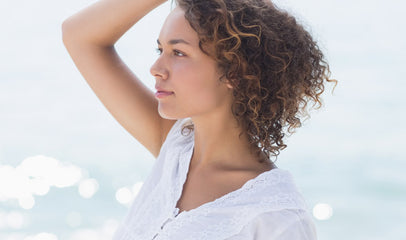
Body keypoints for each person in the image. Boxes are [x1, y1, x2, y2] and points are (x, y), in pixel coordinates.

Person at [62, 0, 336, 239]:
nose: (156, 69)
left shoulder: (277, 219)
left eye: (178, 53)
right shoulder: (176, 148)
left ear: (235, 71)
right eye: (160, 50)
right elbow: (78, 36)